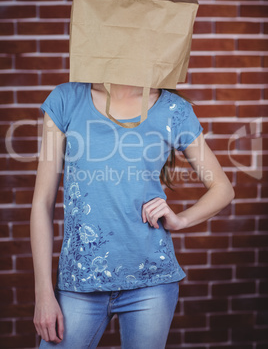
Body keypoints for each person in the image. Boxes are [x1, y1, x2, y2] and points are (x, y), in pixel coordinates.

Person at [30, 81, 234, 348]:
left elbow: (222, 188)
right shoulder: (66, 100)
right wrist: (43, 293)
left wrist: (181, 219)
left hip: (150, 284)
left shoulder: (173, 109)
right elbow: (43, 204)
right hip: (79, 284)